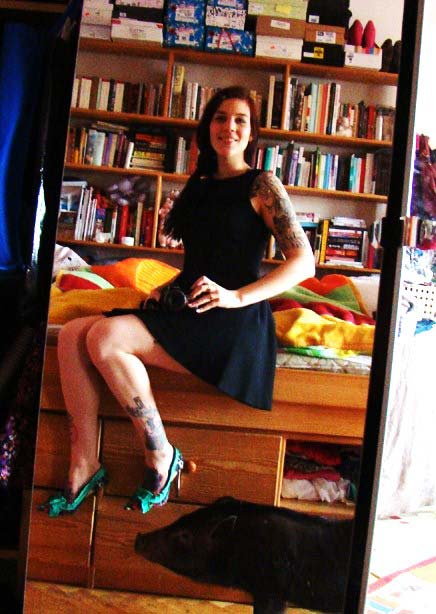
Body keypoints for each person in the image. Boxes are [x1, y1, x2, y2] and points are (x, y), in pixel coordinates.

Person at [39, 86, 315, 518]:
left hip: (234, 319)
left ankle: (161, 455)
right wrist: (163, 288)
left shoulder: (263, 184)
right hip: (192, 304)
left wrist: (235, 297)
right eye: (221, 117)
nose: (229, 127)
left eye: (240, 120)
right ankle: (84, 463)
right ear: (208, 127)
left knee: (106, 338)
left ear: (252, 133)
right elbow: (202, 260)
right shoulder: (199, 185)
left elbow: (304, 262)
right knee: (74, 334)